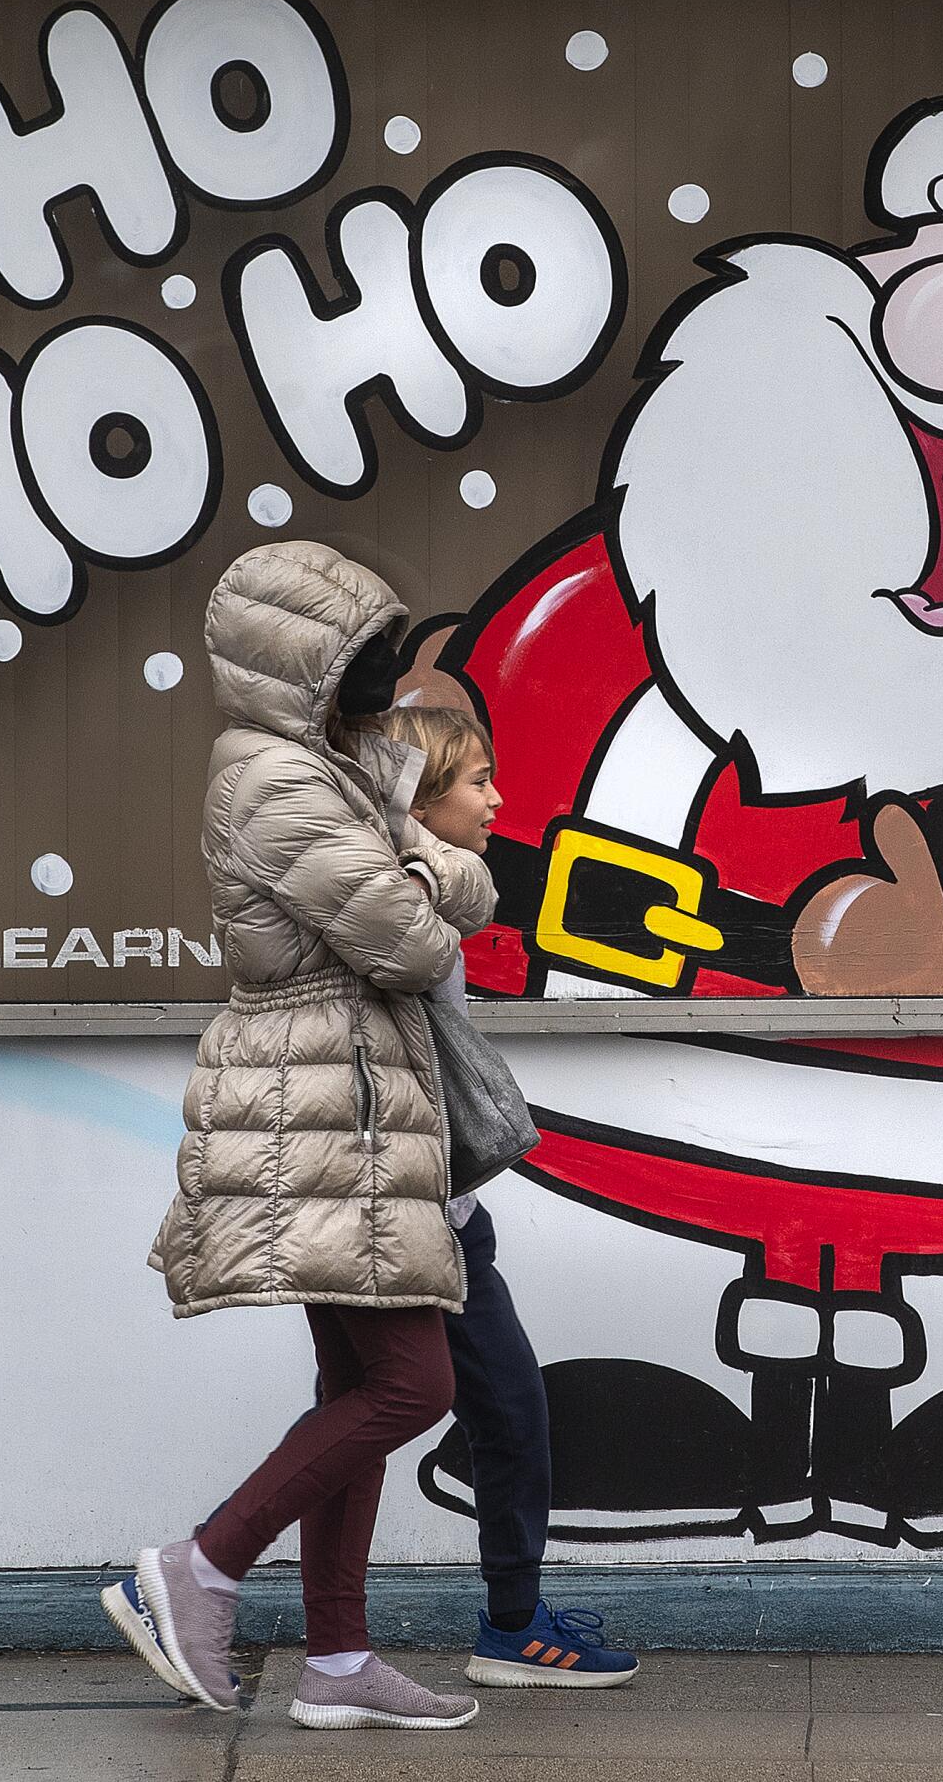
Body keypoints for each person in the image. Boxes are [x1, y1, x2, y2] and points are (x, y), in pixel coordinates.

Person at [99, 538, 489, 1731]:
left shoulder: (334, 767)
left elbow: (468, 888)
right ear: (297, 667)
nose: (380, 674)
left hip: (349, 1096)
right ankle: (203, 1563)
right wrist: (425, 860)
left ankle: (334, 1657)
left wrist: (421, 857)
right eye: (357, 655)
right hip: (321, 1103)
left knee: (358, 1380)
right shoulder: (273, 779)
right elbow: (418, 943)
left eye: (380, 647)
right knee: (415, 1381)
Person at [343, 702, 639, 1689]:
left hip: (441, 1213)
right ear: (421, 800)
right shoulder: (394, 906)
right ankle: (508, 1625)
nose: (497, 798)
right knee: (501, 1411)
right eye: (476, 781)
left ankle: (345, 1636)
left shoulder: (413, 895)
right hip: (419, 1220)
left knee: (374, 1417)